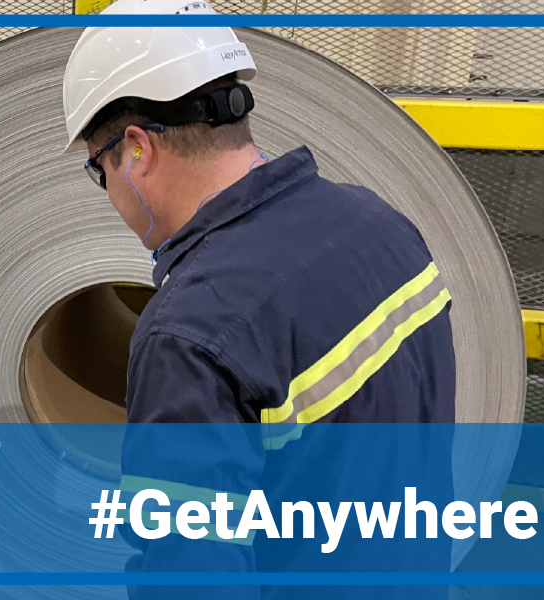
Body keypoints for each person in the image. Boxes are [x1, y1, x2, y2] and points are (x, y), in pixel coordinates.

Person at [62, 0, 456, 597]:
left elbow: (188, 578)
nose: (109, 193)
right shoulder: (379, 224)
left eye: (101, 169)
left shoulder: (189, 333)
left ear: (137, 149)